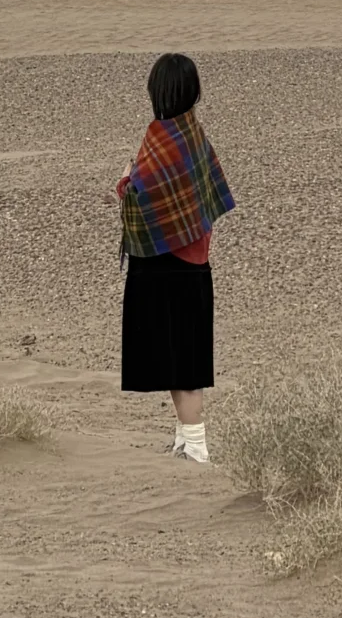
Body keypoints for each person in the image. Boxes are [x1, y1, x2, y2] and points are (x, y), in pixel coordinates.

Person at [109, 52, 235, 464]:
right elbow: (202, 198)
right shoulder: (196, 137)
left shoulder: (162, 139)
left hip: (162, 265)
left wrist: (124, 181)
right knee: (182, 355)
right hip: (193, 264)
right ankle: (185, 439)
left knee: (180, 359)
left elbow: (140, 198)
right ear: (193, 92)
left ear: (157, 92)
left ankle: (196, 445)